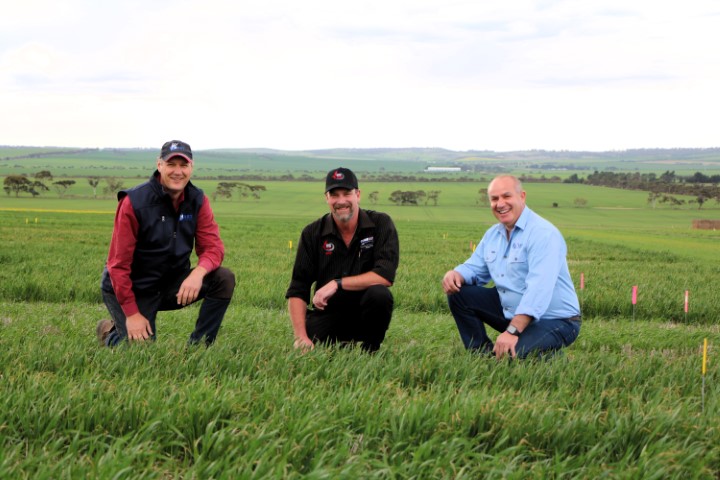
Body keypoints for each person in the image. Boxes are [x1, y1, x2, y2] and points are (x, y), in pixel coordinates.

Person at [96, 140, 235, 347]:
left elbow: (213, 248)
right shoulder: (134, 202)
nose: (177, 172)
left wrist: (197, 274)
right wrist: (132, 314)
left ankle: (199, 348)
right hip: (135, 287)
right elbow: (118, 265)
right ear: (159, 165)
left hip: (170, 284)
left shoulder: (197, 200)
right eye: (171, 164)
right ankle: (109, 331)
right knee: (140, 352)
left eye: (183, 165)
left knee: (223, 278)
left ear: (191, 168)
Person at [442, 175, 580, 359]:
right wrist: (456, 273)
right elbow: (475, 268)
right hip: (510, 311)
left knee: (513, 356)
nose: (500, 204)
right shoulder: (493, 234)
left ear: (522, 196)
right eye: (494, 199)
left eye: (506, 196)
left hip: (556, 320)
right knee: (460, 295)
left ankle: (552, 358)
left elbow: (538, 289)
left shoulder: (543, 234)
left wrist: (512, 331)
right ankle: (480, 356)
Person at [286, 167, 400, 352]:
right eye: (334, 195)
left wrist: (337, 283)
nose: (341, 201)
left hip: (365, 312)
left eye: (347, 193)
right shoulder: (312, 233)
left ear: (358, 195)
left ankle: (370, 349)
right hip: (329, 312)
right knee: (314, 339)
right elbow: (299, 287)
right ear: (327, 198)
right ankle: (339, 341)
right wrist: (301, 337)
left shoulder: (380, 224)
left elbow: (385, 275)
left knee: (380, 295)